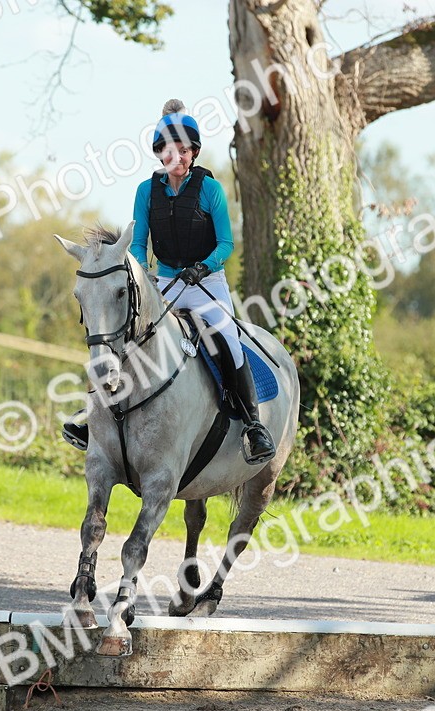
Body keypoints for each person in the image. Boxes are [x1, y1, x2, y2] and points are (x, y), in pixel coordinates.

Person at [62, 99, 276, 465]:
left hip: (206, 283)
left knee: (227, 338)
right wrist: (143, 272)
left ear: (193, 153)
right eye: (168, 150)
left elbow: (226, 243)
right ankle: (93, 417)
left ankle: (253, 425)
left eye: (183, 150)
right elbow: (138, 242)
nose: (176, 156)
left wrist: (203, 267)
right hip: (164, 281)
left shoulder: (211, 190)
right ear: (160, 154)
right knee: (123, 335)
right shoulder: (146, 192)